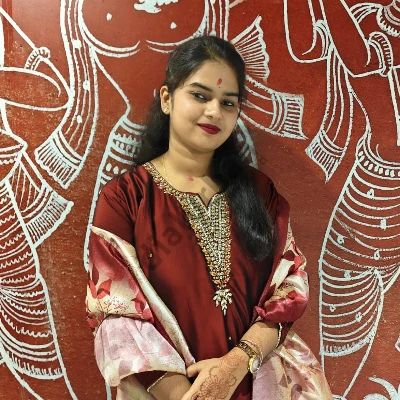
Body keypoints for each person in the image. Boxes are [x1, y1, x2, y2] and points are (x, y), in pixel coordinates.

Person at [86, 35, 332, 400]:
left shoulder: (259, 192)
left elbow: (290, 287)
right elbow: (116, 316)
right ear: (167, 99)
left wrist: (236, 364)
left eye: (228, 102)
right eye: (200, 96)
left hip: (261, 381)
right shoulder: (125, 199)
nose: (215, 111)